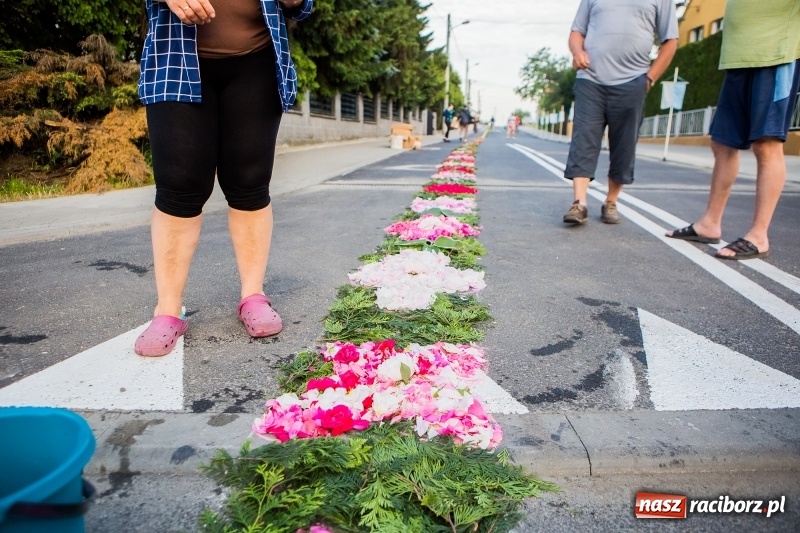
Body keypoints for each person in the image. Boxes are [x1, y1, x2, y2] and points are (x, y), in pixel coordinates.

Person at [134, 0, 314, 356]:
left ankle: (253, 295)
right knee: (179, 185)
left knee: (250, 181)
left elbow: (301, 7)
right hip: (175, 58)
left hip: (257, 59)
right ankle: (167, 310)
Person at [666, 0, 800, 260]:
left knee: (767, 143)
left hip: (776, 53)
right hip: (739, 57)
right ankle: (709, 223)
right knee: (722, 142)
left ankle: (759, 235)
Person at [563, 0, 677, 225]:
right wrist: (577, 52)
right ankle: (579, 203)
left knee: (624, 145)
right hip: (590, 79)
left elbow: (671, 40)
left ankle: (611, 201)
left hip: (633, 81)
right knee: (583, 139)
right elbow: (576, 33)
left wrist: (650, 78)